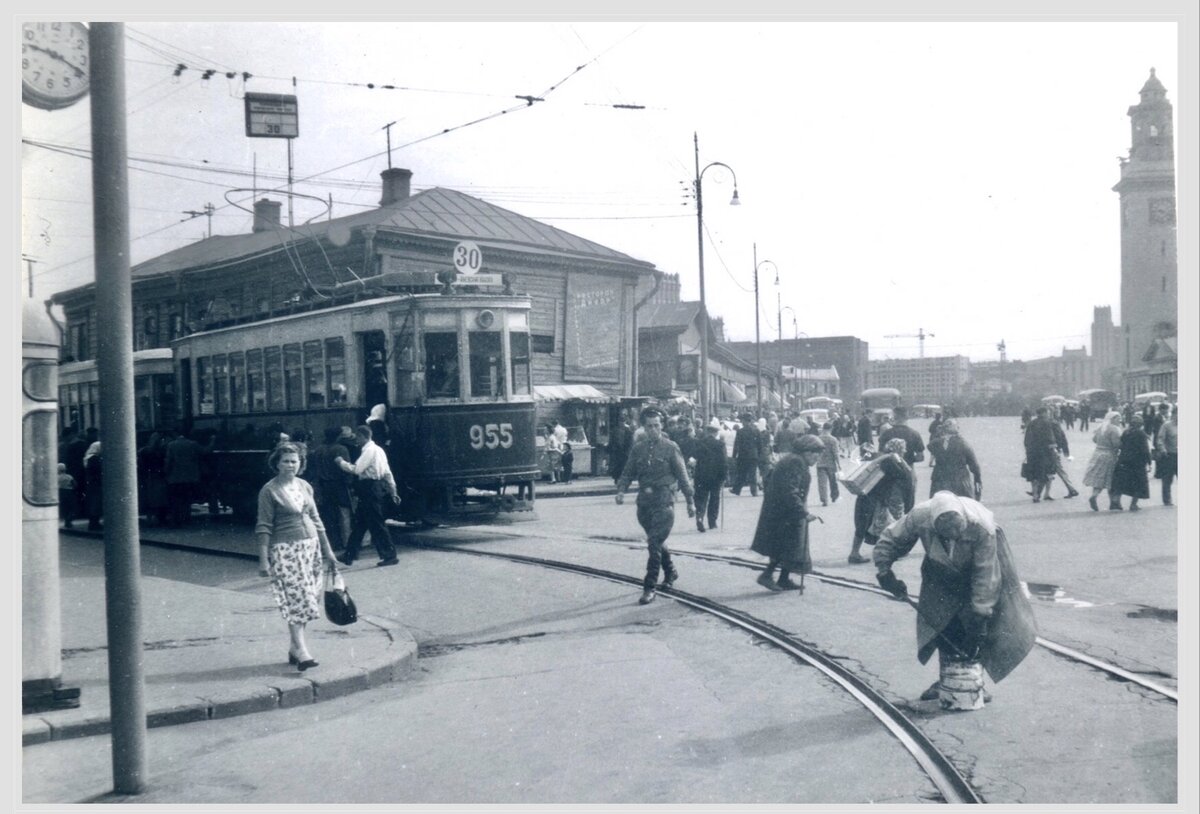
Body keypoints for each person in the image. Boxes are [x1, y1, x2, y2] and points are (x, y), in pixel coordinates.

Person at [873, 491, 1037, 705]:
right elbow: (890, 539)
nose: (952, 539)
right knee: (942, 621)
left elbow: (985, 575)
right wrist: (885, 572)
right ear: (935, 525)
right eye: (946, 535)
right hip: (939, 567)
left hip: (978, 566)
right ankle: (947, 679)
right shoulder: (920, 516)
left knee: (980, 623)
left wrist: (981, 613)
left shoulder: (982, 527)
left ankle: (975, 681)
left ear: (964, 523)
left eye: (957, 534)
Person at [256, 441, 337, 671]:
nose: (290, 465)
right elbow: (263, 526)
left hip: (311, 548)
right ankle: (302, 651)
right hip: (285, 550)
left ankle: (294, 647)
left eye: (295, 461)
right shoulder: (269, 490)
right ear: (277, 463)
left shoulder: (305, 486)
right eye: (286, 461)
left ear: (300, 463)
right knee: (297, 599)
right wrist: (263, 559)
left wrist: (328, 550)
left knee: (309, 598)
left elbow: (316, 520)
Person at [615, 407, 695, 605]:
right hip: (644, 502)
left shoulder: (670, 447)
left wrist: (690, 502)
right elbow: (628, 471)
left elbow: (683, 476)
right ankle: (671, 572)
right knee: (656, 541)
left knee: (653, 543)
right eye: (649, 426)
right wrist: (621, 490)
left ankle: (649, 587)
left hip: (664, 499)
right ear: (644, 427)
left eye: (656, 426)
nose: (653, 430)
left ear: (661, 426)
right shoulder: (638, 448)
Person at [751, 434, 824, 592]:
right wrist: (803, 513)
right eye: (815, 453)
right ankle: (767, 575)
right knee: (783, 546)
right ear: (806, 452)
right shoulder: (795, 462)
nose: (817, 457)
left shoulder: (794, 460)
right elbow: (790, 490)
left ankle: (783, 579)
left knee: (790, 546)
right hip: (784, 512)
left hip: (785, 510)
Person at [337, 425, 401, 566]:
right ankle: (349, 554)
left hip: (369, 488)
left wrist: (341, 463)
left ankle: (390, 555)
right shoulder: (379, 450)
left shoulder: (369, 451)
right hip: (376, 488)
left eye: (358, 437)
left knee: (376, 523)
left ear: (364, 437)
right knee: (361, 523)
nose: (356, 441)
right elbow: (387, 473)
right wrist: (393, 491)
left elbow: (357, 469)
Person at [847, 438, 916, 565]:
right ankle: (855, 553)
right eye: (903, 448)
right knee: (870, 526)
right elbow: (904, 474)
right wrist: (900, 461)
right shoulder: (890, 461)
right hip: (874, 498)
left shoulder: (882, 457)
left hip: (870, 496)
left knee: (878, 526)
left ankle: (864, 552)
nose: (905, 450)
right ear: (898, 449)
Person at [309, 427, 354, 553]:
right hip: (339, 485)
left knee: (328, 515)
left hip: (323, 486)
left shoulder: (318, 450)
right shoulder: (341, 449)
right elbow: (346, 470)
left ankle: (333, 542)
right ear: (338, 436)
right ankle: (347, 542)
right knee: (344, 514)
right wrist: (350, 484)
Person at [1110, 413, 1152, 512]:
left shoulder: (1126, 432)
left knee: (1121, 482)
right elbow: (1145, 450)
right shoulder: (1141, 434)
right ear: (1140, 424)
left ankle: (1116, 500)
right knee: (1139, 483)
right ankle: (1133, 504)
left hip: (1124, 460)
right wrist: (1149, 462)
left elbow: (1121, 445)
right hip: (1138, 462)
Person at [1083, 411, 1123, 512]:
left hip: (1097, 454)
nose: (1120, 420)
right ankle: (1113, 502)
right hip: (1109, 455)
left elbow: (1094, 439)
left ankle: (1094, 495)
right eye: (1118, 418)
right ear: (1112, 419)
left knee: (1099, 477)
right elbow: (1116, 444)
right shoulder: (1114, 429)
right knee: (1111, 478)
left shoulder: (1101, 427)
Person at [690, 423, 727, 533]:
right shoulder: (720, 444)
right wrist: (724, 475)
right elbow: (724, 461)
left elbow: (693, 457)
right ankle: (712, 522)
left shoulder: (700, 443)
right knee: (714, 498)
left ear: (707, 432)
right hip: (716, 476)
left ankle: (700, 517)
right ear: (716, 432)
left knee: (701, 497)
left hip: (701, 475)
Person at [165, 429, 204, 527]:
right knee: (187, 500)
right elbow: (205, 450)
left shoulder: (171, 445)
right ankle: (186, 518)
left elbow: (169, 461)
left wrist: (166, 473)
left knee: (175, 500)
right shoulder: (193, 444)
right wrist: (213, 441)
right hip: (190, 477)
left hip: (175, 477)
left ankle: (176, 520)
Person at [1022, 407, 1059, 503]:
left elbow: (1026, 439)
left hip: (1032, 452)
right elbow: (1050, 438)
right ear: (1044, 413)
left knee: (1034, 475)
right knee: (1049, 472)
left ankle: (1035, 495)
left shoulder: (1031, 423)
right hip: (1045, 452)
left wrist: (1028, 450)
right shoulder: (1047, 423)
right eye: (1047, 412)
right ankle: (1046, 494)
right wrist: (1054, 449)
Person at [137, 431, 169, 526]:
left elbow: (140, 464)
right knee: (160, 498)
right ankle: (160, 518)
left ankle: (150, 518)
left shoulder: (144, 451)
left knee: (149, 499)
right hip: (159, 476)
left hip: (149, 477)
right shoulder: (161, 451)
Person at [1046, 419, 1081, 500]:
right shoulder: (1058, 429)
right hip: (1057, 451)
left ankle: (1072, 489)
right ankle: (1071, 489)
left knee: (1057, 470)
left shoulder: (1051, 431)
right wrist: (1067, 454)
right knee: (1057, 471)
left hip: (1051, 452)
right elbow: (1064, 440)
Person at [731, 413, 761, 496]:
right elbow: (759, 444)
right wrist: (758, 454)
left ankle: (736, 490)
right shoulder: (756, 430)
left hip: (743, 455)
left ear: (744, 421)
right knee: (753, 474)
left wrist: (734, 455)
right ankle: (754, 491)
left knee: (741, 473)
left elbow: (736, 444)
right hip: (753, 455)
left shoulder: (740, 431)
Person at [1154, 405, 1177, 506]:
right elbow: (1160, 439)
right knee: (1167, 479)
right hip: (1169, 455)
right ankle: (1167, 500)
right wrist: (1162, 449)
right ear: (1173, 415)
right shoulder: (1166, 425)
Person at [815, 423, 841, 506]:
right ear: (831, 429)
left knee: (822, 483)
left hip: (820, 463)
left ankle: (824, 499)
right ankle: (834, 496)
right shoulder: (833, 439)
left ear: (823, 428)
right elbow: (836, 453)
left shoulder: (817, 438)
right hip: (831, 463)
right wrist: (839, 464)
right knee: (833, 481)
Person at [83, 441, 103, 531]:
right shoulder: (94, 459)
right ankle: (94, 524)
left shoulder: (88, 458)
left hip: (91, 483)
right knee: (96, 503)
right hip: (96, 483)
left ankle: (94, 523)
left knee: (93, 503)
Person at [57, 463, 78, 528]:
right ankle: (68, 521)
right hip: (69, 492)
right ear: (65, 469)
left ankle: (66, 520)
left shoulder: (56, 477)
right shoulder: (69, 476)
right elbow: (75, 485)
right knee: (71, 507)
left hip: (60, 492)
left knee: (64, 508)